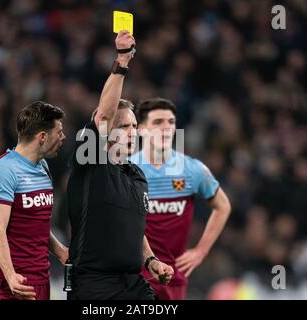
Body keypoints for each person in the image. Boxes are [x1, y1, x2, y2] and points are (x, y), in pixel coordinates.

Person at [66, 31, 174, 300]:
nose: (132, 132)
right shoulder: (91, 161)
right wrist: (123, 60)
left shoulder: (136, 175)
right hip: (94, 286)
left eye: (135, 127)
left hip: (134, 283)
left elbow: (133, 228)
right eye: (123, 126)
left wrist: (151, 261)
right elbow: (103, 114)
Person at [129, 97, 232, 300]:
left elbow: (223, 206)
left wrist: (200, 251)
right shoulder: (127, 169)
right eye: (158, 122)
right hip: (133, 275)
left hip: (173, 278)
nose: (166, 128)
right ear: (141, 129)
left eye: (170, 122)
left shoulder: (191, 169)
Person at [0, 101, 68, 300]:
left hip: (40, 280)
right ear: (42, 137)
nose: (63, 137)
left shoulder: (42, 167)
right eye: (59, 132)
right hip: (11, 284)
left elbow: (36, 224)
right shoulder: (3, 171)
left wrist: (61, 252)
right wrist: (11, 276)